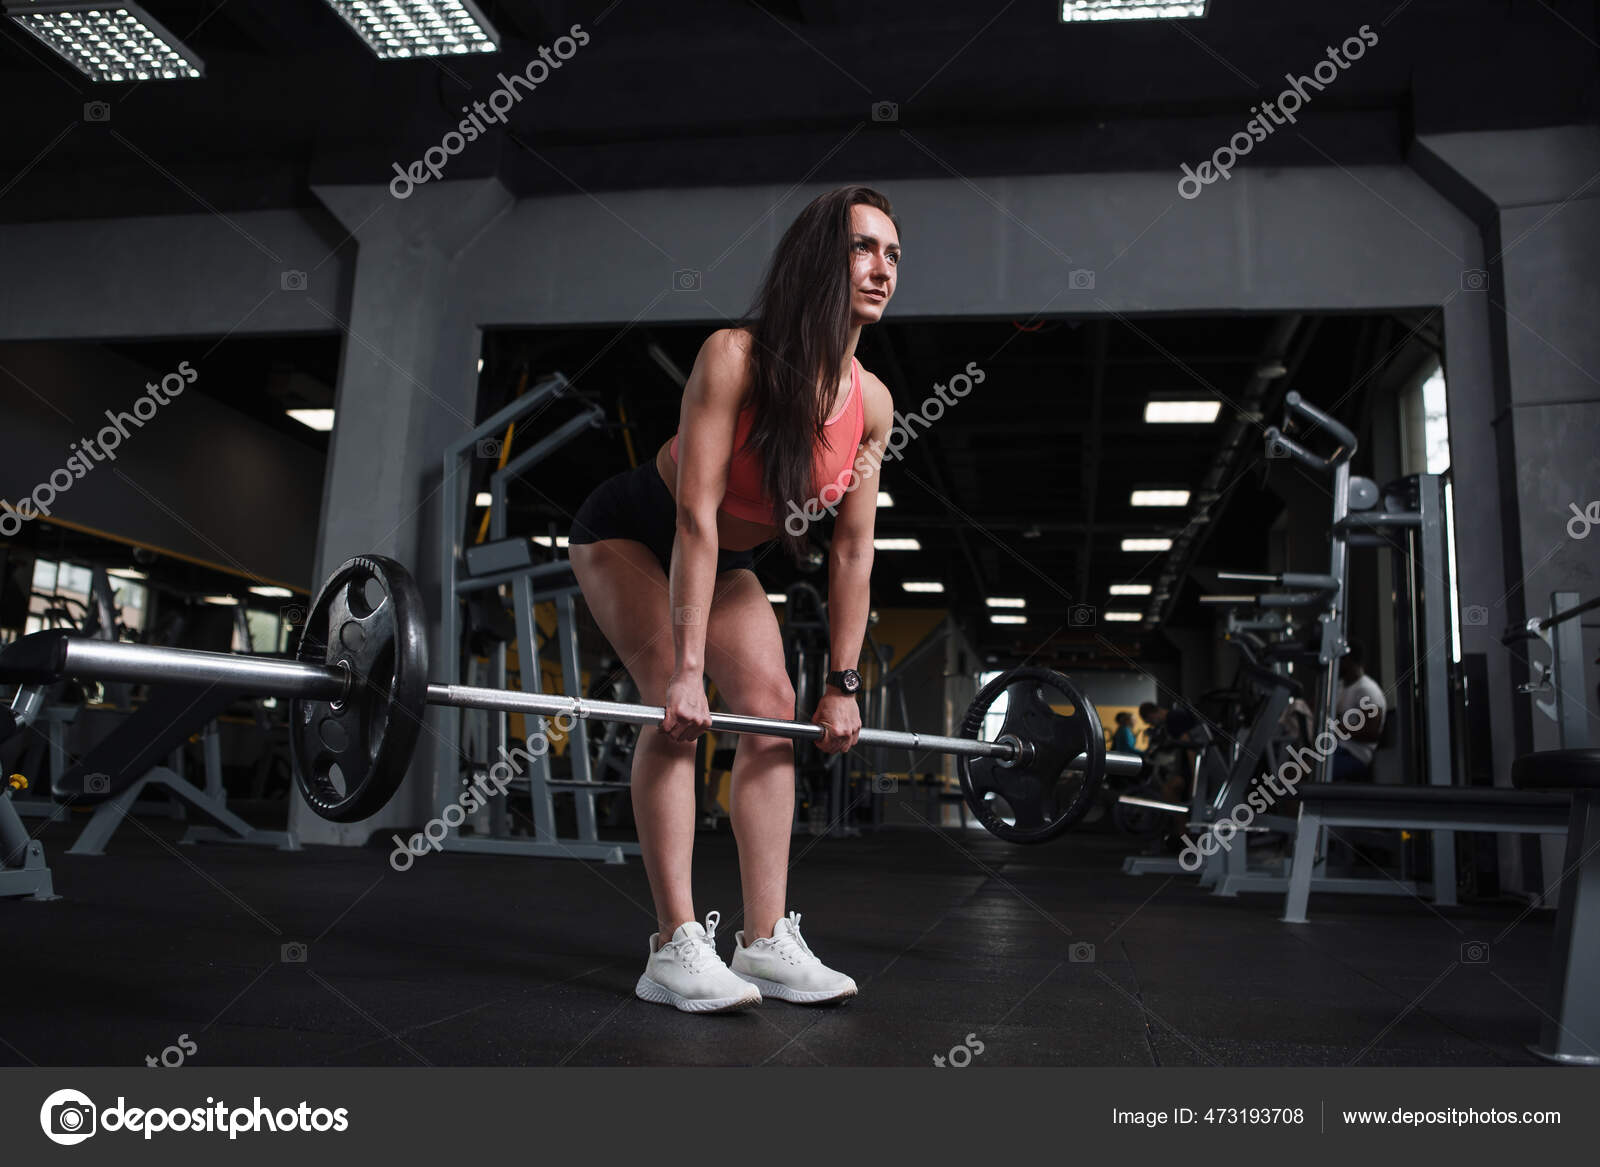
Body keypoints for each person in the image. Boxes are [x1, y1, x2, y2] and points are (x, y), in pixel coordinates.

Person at [566, 186, 900, 1014]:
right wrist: (686, 669)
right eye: (864, 247)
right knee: (674, 709)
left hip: (727, 556)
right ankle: (674, 945)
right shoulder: (735, 356)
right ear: (822, 258)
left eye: (894, 255)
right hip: (635, 532)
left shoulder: (873, 405)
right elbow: (693, 515)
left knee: (771, 704)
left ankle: (762, 941)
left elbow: (853, 549)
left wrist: (845, 682)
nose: (882, 268)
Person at [1330, 641, 1386, 781]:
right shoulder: (1341, 686)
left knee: (1301, 772)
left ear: (1348, 660)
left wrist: (1338, 729)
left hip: (1355, 755)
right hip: (1336, 748)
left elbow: (1373, 733)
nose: (1336, 664)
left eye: (1340, 660)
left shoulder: (1367, 689)